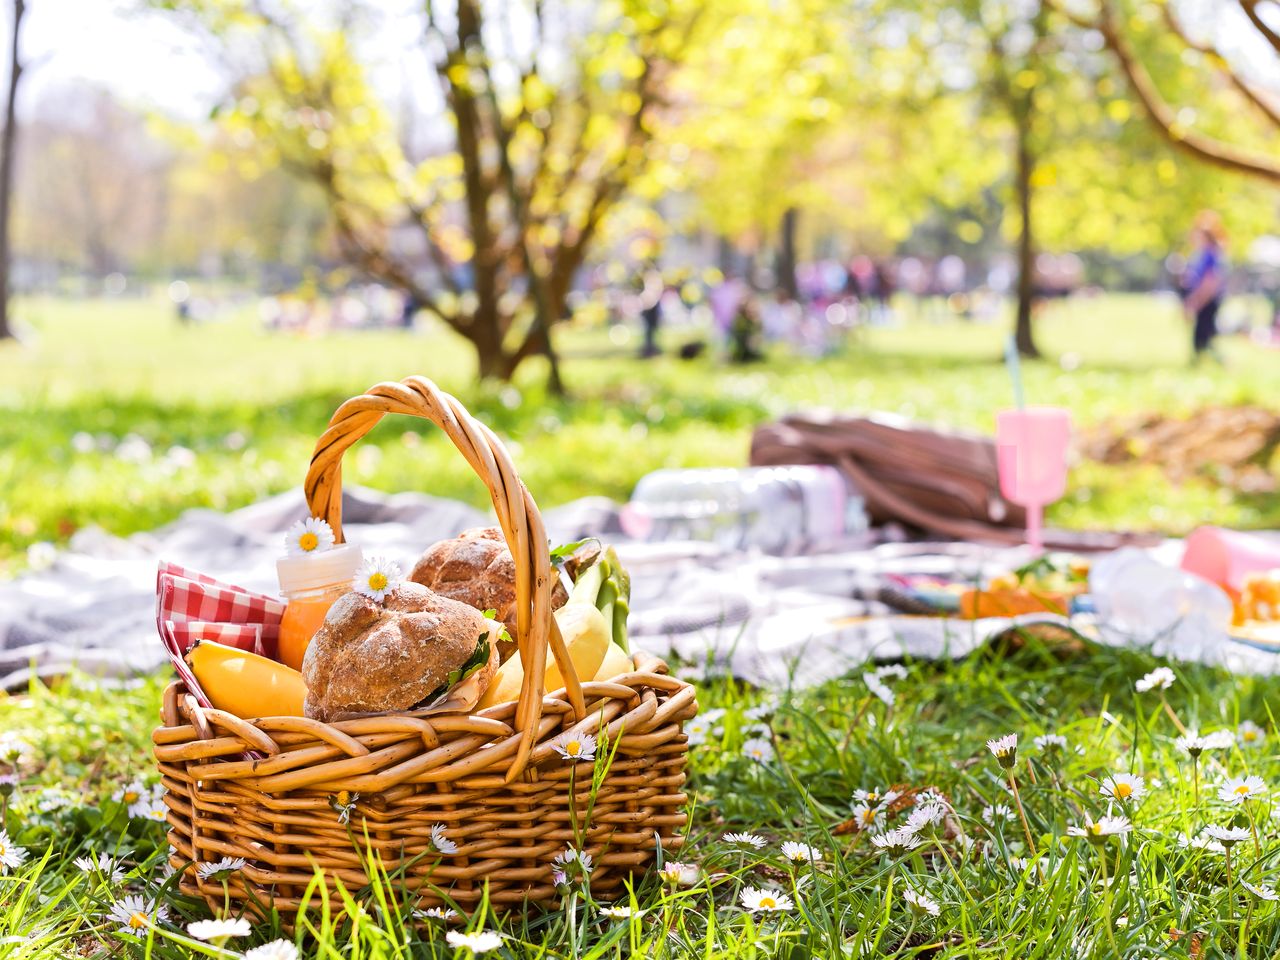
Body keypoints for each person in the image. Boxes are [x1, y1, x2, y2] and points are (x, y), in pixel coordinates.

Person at [1182, 210, 1229, 363]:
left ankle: (1220, 363)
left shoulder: (1210, 255)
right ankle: (1208, 363)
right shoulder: (1202, 254)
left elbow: (1210, 283)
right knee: (1204, 337)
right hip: (1204, 299)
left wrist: (1196, 302)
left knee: (1203, 338)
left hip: (1208, 300)